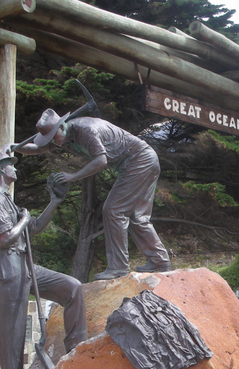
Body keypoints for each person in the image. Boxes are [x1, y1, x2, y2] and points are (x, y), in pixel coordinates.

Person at [0, 149, 87, 369]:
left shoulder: (8, 200)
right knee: (12, 332)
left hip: (24, 264)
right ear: (0, 171)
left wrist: (54, 201)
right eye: (11, 166)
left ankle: (77, 350)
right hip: (7, 269)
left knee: (72, 288)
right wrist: (24, 219)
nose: (15, 169)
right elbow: (5, 238)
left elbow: (35, 227)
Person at [14, 109, 171, 280]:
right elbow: (39, 148)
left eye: (53, 137)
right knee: (138, 216)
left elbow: (101, 161)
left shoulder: (86, 130)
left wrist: (73, 176)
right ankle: (159, 261)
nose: (53, 141)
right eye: (49, 138)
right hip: (143, 161)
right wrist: (15, 148)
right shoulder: (65, 134)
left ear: (61, 126)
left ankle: (118, 267)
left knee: (113, 210)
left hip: (139, 161)